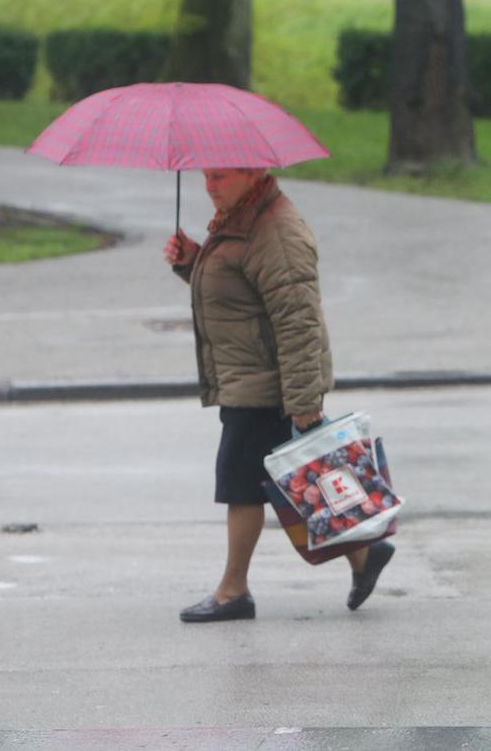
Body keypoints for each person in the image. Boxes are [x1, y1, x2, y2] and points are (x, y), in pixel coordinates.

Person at [163, 167, 394, 622]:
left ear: (254, 173)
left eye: (221, 176)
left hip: (271, 384)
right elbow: (237, 297)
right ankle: (365, 555)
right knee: (300, 483)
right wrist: (191, 262)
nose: (210, 185)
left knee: (242, 486)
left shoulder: (275, 230)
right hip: (252, 377)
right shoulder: (240, 221)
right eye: (206, 176)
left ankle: (233, 592)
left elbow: (298, 322)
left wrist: (304, 401)